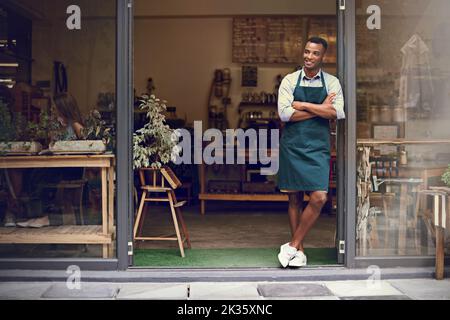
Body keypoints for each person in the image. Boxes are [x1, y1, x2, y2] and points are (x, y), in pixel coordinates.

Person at [276, 37, 346, 268]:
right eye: (306, 52)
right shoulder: (289, 80)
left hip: (318, 148)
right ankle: (300, 253)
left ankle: (292, 245)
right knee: (294, 198)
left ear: (323, 56)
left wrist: (303, 105)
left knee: (319, 197)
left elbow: (336, 112)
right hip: (293, 146)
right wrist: (320, 108)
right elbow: (285, 115)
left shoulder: (332, 82)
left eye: (315, 53)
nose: (309, 57)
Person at [9, 93, 85, 228]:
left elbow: (86, 143)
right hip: (61, 165)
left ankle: (39, 216)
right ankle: (34, 213)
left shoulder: (75, 125)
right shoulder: (60, 125)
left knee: (39, 177)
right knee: (34, 174)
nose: (53, 111)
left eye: (56, 108)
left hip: (71, 168)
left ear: (64, 108)